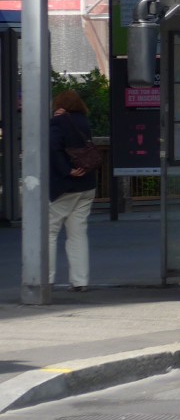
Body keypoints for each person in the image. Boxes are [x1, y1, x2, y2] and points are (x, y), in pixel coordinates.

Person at [48, 89, 98, 291]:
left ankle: (46, 279)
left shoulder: (58, 122)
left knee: (49, 232)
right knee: (77, 234)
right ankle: (80, 281)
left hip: (65, 186)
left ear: (60, 105)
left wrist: (67, 170)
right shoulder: (84, 122)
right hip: (87, 186)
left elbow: (52, 147)